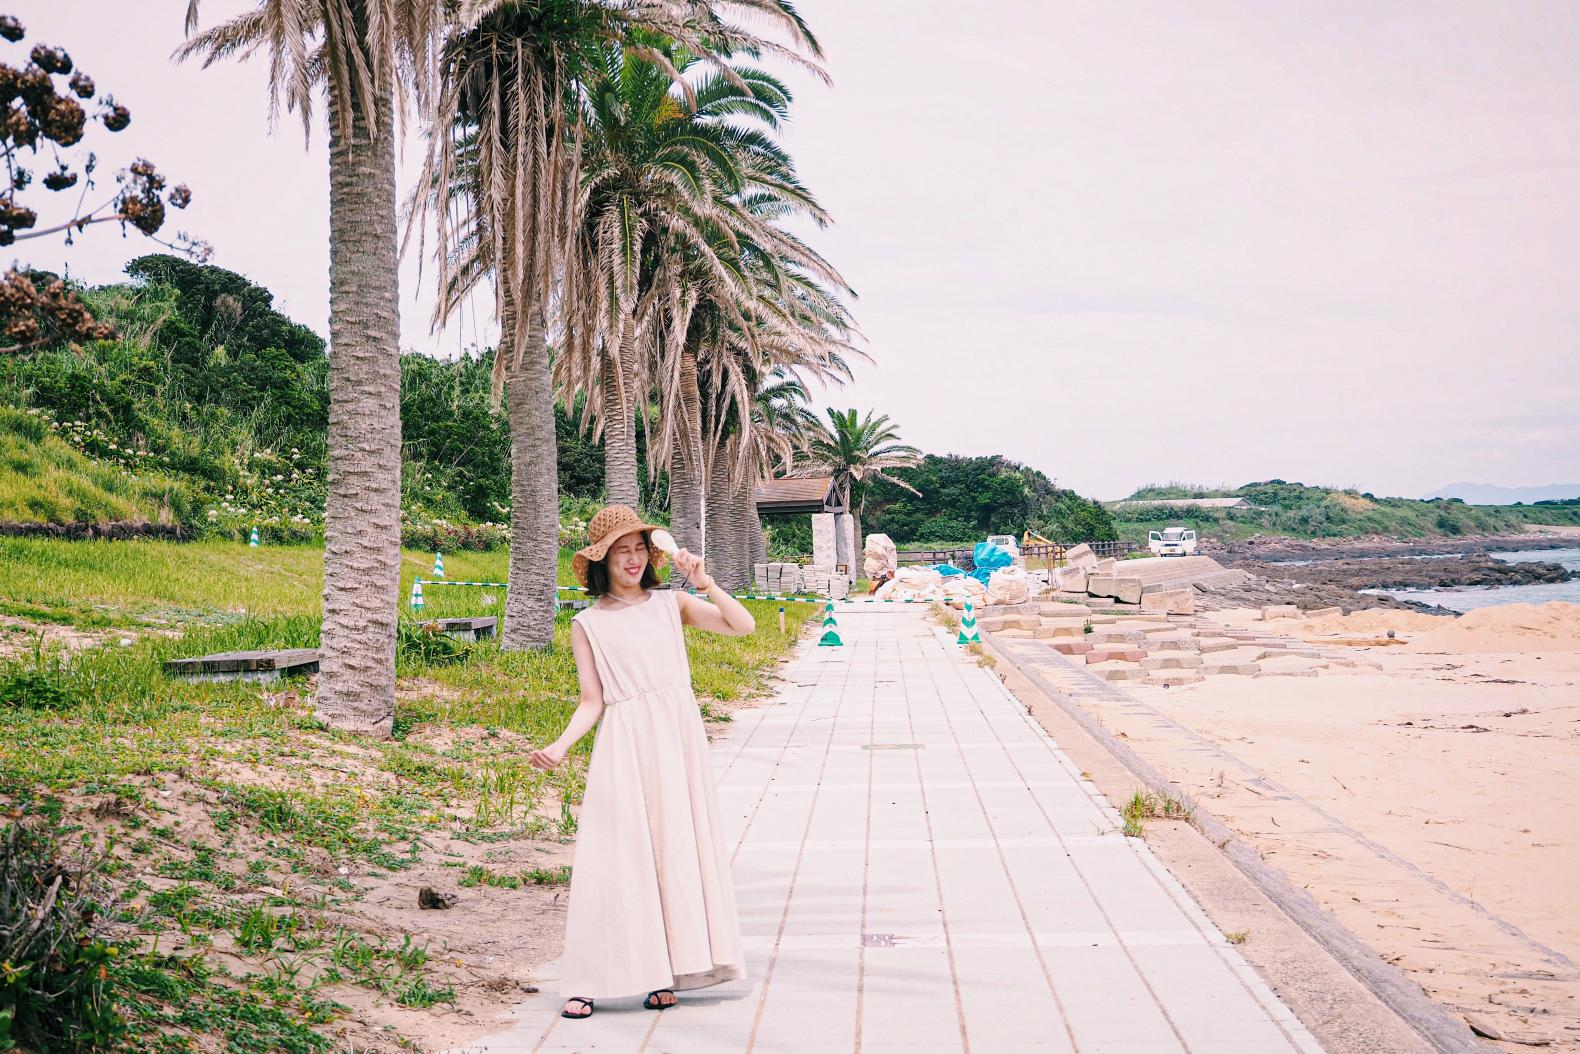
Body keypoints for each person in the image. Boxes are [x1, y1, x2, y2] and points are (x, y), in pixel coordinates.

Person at [527, 505, 756, 1020]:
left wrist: (704, 581)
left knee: (674, 849)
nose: (631, 560)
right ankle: (587, 980)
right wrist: (561, 746)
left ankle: (666, 973)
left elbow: (743, 626)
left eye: (639, 550)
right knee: (615, 857)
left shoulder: (672, 603)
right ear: (601, 560)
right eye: (620, 551)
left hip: (677, 739)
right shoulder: (586, 623)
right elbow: (593, 700)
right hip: (624, 743)